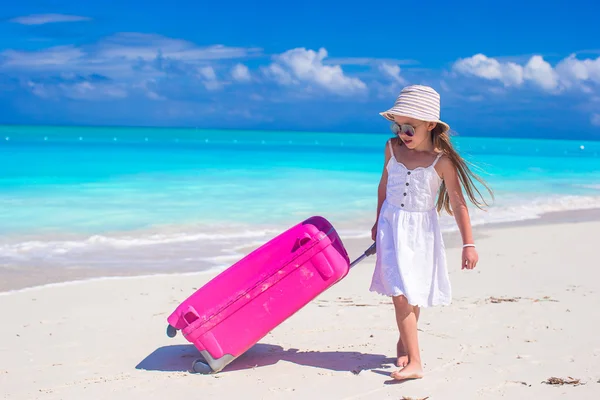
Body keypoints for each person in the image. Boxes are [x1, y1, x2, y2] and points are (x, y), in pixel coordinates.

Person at [369, 84, 493, 381]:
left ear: (430, 125)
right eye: (398, 126)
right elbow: (383, 187)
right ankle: (415, 361)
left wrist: (469, 244)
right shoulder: (391, 148)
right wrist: (377, 222)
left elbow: (459, 203)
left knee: (412, 293)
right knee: (399, 294)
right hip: (391, 225)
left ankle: (407, 348)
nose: (402, 134)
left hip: (420, 232)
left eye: (409, 128)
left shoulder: (442, 161)